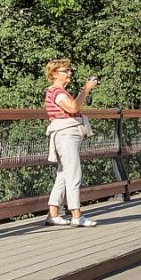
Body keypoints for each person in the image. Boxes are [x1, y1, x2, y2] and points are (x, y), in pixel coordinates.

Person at [44, 58, 99, 228]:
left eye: (69, 70)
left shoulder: (57, 91)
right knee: (74, 175)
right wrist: (86, 89)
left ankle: (53, 214)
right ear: (54, 74)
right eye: (65, 71)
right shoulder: (57, 92)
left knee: (63, 174)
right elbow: (73, 108)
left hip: (65, 135)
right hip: (66, 136)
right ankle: (76, 215)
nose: (69, 73)